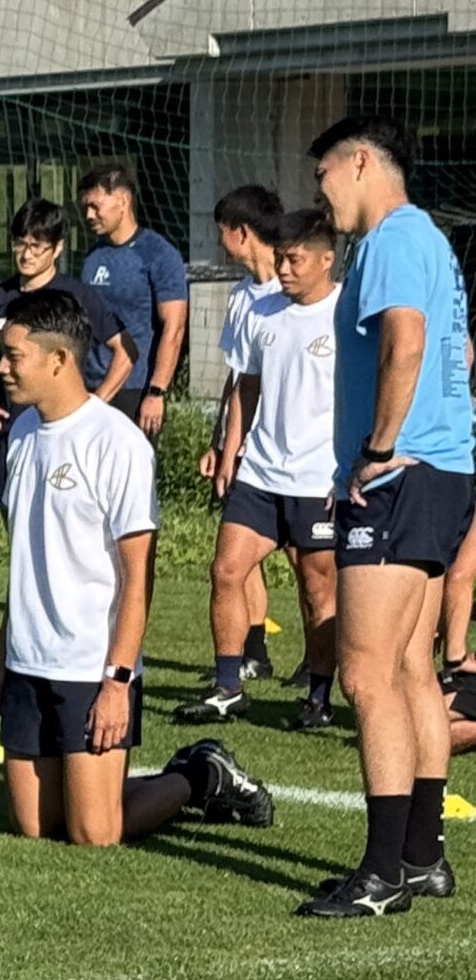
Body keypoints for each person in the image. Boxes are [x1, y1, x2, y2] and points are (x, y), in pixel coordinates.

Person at [0, 289, 273, 846]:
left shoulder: (117, 443)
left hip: (91, 667)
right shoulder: (20, 434)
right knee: (34, 828)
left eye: (14, 356)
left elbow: (138, 577)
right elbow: (25, 561)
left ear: (59, 359)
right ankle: (130, 780)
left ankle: (200, 774)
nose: (2, 367)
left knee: (94, 834)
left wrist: (117, 682)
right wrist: (4, 658)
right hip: (28, 664)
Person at [298, 116, 475, 919]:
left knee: (366, 673)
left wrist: (376, 450)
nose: (322, 195)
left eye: (324, 176)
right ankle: (422, 857)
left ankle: (381, 874)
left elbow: (407, 342)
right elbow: (456, 354)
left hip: (402, 479)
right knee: (409, 670)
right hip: (441, 474)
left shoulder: (394, 240)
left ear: (361, 163)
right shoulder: (429, 240)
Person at [179, 202, 341, 730]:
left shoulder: (346, 315)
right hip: (260, 473)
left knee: (317, 590)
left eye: (295, 260)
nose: (284, 270)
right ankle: (228, 688)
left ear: (325, 261)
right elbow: (245, 387)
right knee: (226, 570)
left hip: (319, 480)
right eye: (282, 259)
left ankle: (319, 698)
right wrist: (230, 452)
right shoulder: (262, 311)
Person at [0, 199, 129, 515]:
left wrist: (97, 403)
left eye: (36, 246)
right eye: (20, 244)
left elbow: (126, 350)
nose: (26, 254)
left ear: (58, 248)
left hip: (65, 435)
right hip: (11, 433)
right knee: (16, 524)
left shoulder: (76, 297)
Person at [194, 187, 291, 689]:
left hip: (296, 452)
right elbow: (238, 379)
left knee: (307, 564)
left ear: (242, 233)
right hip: (248, 449)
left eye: (222, 233)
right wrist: (221, 445)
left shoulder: (299, 291)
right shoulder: (240, 297)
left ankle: (319, 668)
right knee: (236, 556)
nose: (219, 242)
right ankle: (252, 654)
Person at [78, 165, 189, 434]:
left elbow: (174, 328)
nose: (89, 215)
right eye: (86, 207)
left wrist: (156, 391)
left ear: (123, 201)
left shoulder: (158, 254)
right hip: (91, 388)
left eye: (95, 206)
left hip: (135, 391)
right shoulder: (93, 257)